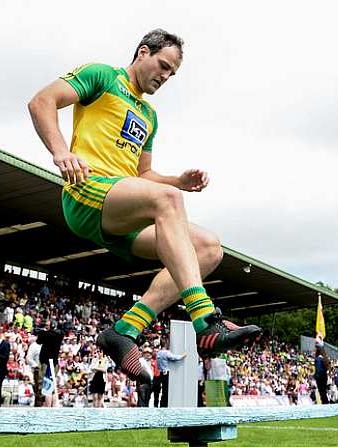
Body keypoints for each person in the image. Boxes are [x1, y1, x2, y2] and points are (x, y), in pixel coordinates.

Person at [28, 29, 261, 385]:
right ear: (142, 53)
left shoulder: (149, 116)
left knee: (210, 248)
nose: (165, 77)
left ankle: (124, 330)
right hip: (87, 192)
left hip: (125, 206)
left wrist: (177, 183)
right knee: (168, 202)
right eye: (163, 66)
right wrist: (61, 151)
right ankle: (205, 320)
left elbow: (143, 175)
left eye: (172, 74)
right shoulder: (102, 76)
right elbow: (42, 101)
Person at [153, 341, 186, 407]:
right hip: (165, 373)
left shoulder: (159, 353)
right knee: (166, 391)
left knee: (161, 391)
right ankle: (164, 405)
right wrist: (183, 356)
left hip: (160, 373)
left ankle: (158, 405)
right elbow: (175, 358)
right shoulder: (165, 353)